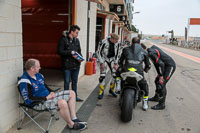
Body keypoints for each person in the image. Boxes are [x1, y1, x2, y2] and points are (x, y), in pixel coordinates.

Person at [18, 59, 87, 130]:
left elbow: (45, 86)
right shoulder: (24, 81)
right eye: (38, 67)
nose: (40, 68)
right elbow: (28, 99)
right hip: (38, 103)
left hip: (48, 97)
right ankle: (71, 124)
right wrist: (46, 98)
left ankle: (74, 118)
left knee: (72, 93)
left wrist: (51, 92)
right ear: (32, 69)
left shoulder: (39, 75)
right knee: (62, 103)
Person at [117, 37, 151, 110]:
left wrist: (121, 67)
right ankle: (145, 102)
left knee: (119, 72)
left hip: (126, 71)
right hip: (138, 73)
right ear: (139, 43)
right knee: (144, 86)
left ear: (131, 43)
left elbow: (120, 61)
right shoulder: (144, 51)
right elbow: (148, 65)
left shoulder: (125, 49)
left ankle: (118, 84)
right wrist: (146, 69)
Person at [141, 43, 176, 110]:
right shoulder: (150, 51)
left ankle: (162, 104)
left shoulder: (151, 53)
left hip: (170, 66)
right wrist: (159, 74)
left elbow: (160, 64)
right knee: (157, 81)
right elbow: (158, 64)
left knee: (161, 83)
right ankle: (156, 97)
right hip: (164, 66)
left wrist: (161, 76)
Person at [57, 25, 83, 102]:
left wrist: (80, 58)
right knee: (67, 82)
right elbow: (59, 51)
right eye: (76, 33)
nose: (77, 34)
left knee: (75, 82)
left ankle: (75, 96)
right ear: (72, 32)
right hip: (67, 66)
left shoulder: (77, 40)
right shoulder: (63, 40)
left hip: (76, 65)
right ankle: (66, 97)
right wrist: (70, 52)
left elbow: (79, 51)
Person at [96, 33, 121, 99]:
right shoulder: (103, 42)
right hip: (104, 58)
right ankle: (101, 92)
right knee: (102, 76)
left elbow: (118, 53)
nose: (117, 42)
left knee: (115, 75)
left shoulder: (118, 43)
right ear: (111, 39)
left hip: (112, 59)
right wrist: (101, 62)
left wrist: (116, 63)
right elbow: (98, 52)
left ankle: (111, 90)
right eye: (116, 40)